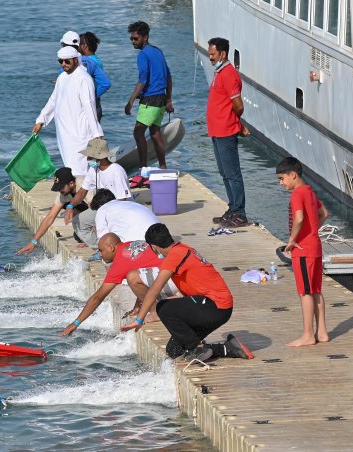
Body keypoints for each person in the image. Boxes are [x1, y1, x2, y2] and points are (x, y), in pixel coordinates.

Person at [121, 223, 253, 361]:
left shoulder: (175, 256)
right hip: (216, 308)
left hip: (216, 306)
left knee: (164, 307)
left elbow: (154, 289)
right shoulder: (182, 249)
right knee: (174, 350)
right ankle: (228, 348)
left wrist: (139, 320)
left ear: (153, 247)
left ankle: (197, 348)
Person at [59, 233, 179, 336]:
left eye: (101, 250)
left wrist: (76, 323)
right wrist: (138, 306)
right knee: (137, 276)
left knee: (132, 277)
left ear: (111, 247)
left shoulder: (119, 262)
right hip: (178, 274)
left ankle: (155, 312)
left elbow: (98, 297)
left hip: (172, 278)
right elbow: (145, 270)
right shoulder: (132, 244)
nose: (100, 254)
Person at [276, 157, 329, 347]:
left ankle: (308, 335)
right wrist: (312, 230)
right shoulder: (310, 191)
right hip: (315, 246)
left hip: (303, 250)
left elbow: (298, 218)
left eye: (282, 178)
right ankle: (321, 332)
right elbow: (325, 213)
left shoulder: (298, 194)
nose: (281, 183)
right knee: (316, 290)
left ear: (293, 175)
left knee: (305, 292)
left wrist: (293, 240)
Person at [33, 46, 103, 178]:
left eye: (67, 61)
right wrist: (41, 120)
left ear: (76, 60)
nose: (63, 64)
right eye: (61, 61)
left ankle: (85, 196)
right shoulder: (62, 78)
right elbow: (53, 100)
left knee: (81, 169)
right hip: (64, 133)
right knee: (70, 165)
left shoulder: (84, 79)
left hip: (80, 132)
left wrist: (97, 133)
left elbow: (90, 107)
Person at [207, 37, 250, 228]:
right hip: (216, 130)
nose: (210, 57)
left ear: (223, 54)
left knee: (232, 172)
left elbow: (238, 105)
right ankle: (233, 208)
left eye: (213, 54)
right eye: (209, 54)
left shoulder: (229, 74)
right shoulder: (219, 72)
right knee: (224, 172)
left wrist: (235, 122)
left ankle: (240, 212)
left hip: (225, 130)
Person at [125, 21, 173, 170]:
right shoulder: (158, 51)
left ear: (145, 37)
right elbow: (168, 77)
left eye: (136, 38)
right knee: (154, 131)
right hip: (160, 98)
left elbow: (143, 79)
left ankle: (143, 167)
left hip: (151, 99)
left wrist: (131, 100)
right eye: (131, 39)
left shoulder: (143, 54)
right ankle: (162, 166)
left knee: (138, 132)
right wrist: (168, 99)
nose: (133, 42)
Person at [15, 167, 94, 255]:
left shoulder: (84, 185)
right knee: (78, 237)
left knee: (88, 233)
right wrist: (33, 242)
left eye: (61, 188)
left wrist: (91, 238)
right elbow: (50, 218)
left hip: (103, 208)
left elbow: (96, 212)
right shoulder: (64, 193)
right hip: (88, 208)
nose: (60, 191)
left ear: (71, 183)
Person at [64, 137, 133, 230]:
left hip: (121, 211)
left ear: (99, 157)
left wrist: (106, 220)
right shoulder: (93, 169)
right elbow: (82, 191)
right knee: (79, 224)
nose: (87, 158)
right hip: (103, 209)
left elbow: (122, 200)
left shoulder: (116, 171)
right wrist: (70, 206)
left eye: (90, 156)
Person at [90, 188, 159, 243]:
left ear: (100, 205)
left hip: (141, 245)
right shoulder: (131, 204)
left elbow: (103, 240)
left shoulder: (102, 209)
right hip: (159, 238)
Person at [78, 31, 107, 121]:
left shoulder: (87, 62)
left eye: (77, 45)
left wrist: (91, 97)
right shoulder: (96, 60)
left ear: (84, 46)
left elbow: (105, 84)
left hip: (90, 105)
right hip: (95, 104)